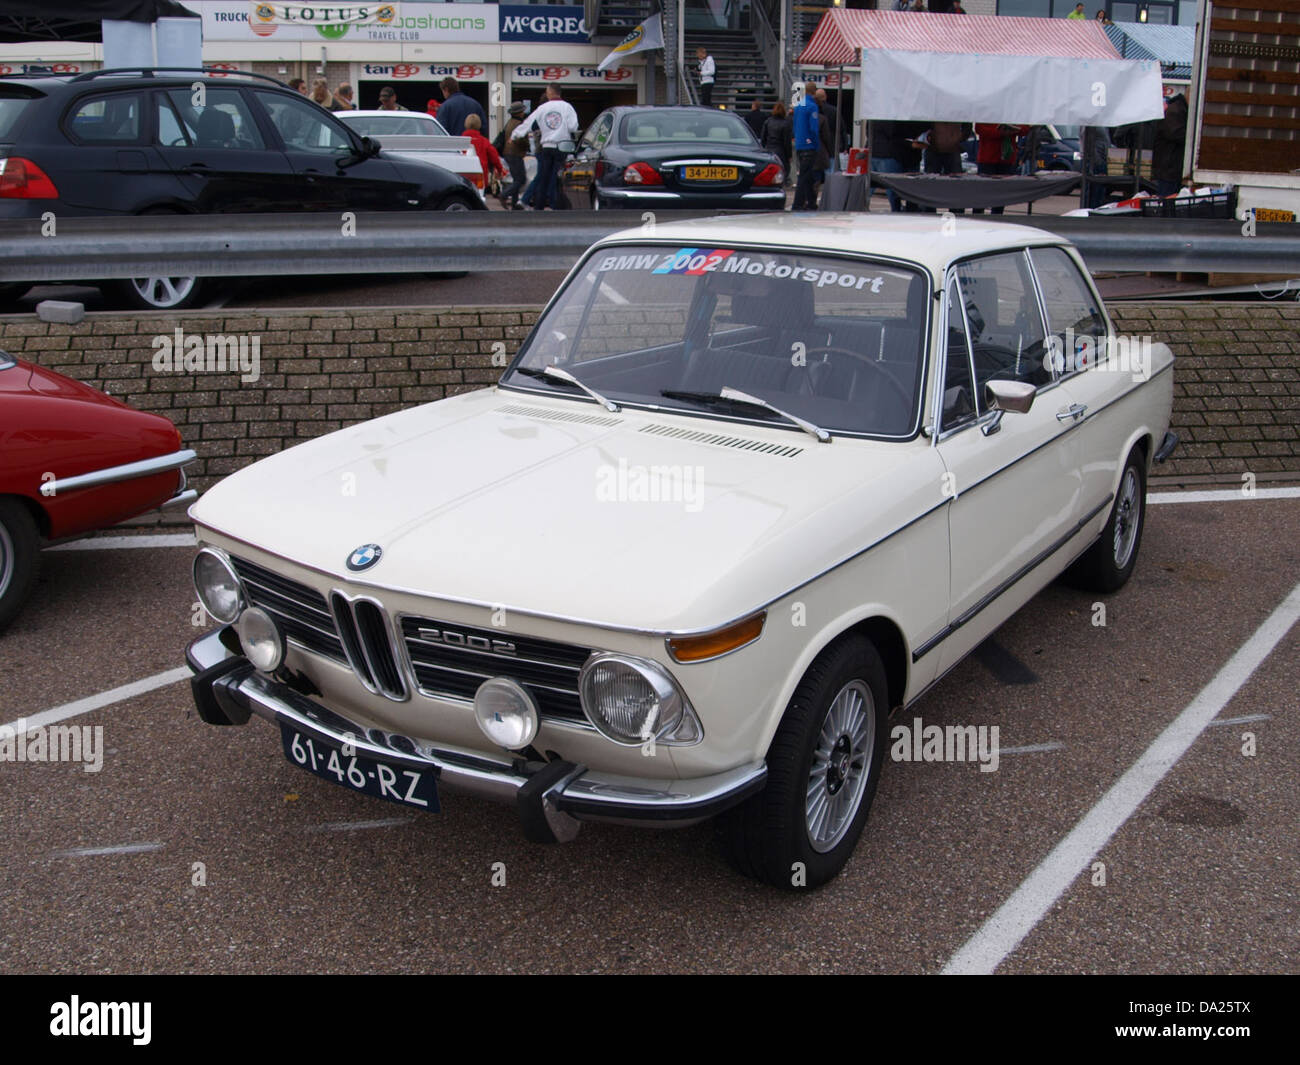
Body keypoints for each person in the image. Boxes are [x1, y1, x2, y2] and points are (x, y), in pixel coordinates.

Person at [511, 83, 578, 211]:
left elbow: (528, 124)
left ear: (550, 93)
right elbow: (573, 127)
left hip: (546, 146)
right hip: (562, 146)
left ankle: (538, 205)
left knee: (543, 176)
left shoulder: (542, 108)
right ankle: (554, 204)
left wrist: (514, 135)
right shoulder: (568, 107)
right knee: (555, 176)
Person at [973, 122, 1029, 214]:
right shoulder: (987, 112)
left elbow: (1025, 129)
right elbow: (979, 129)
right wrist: (1000, 133)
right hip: (988, 158)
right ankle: (978, 216)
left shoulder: (1012, 112)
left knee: (1001, 194)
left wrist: (1014, 129)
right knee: (983, 193)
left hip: (1004, 159)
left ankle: (996, 216)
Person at [791, 82, 824, 210]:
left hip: (800, 144)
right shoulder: (812, 107)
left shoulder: (799, 106)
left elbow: (794, 126)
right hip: (809, 145)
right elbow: (813, 128)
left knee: (807, 174)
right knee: (804, 175)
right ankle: (798, 203)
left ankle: (811, 202)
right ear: (814, 92)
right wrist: (815, 144)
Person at [1152, 93, 1188, 197]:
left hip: (1170, 169)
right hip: (1169, 169)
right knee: (1167, 202)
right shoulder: (1175, 110)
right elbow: (1175, 134)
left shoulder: (1178, 108)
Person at [463, 114, 507, 197]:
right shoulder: (484, 141)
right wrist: (500, 169)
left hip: (464, 177)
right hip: (480, 177)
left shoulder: (460, 140)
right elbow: (494, 158)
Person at [500, 102, 530, 210]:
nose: (523, 113)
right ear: (519, 113)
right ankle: (504, 195)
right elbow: (520, 139)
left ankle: (515, 203)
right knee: (520, 180)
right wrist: (528, 145)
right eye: (522, 111)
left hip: (508, 153)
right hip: (515, 153)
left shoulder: (510, 123)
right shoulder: (519, 124)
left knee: (516, 179)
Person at [760, 101, 792, 187]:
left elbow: (763, 138)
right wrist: (789, 155)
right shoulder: (785, 124)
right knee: (783, 171)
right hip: (780, 150)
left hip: (769, 148)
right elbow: (787, 142)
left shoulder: (768, 122)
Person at [815, 88, 846, 174]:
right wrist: (844, 146)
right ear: (825, 97)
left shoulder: (812, 111)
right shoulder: (834, 111)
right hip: (832, 146)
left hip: (816, 147)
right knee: (831, 172)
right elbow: (842, 129)